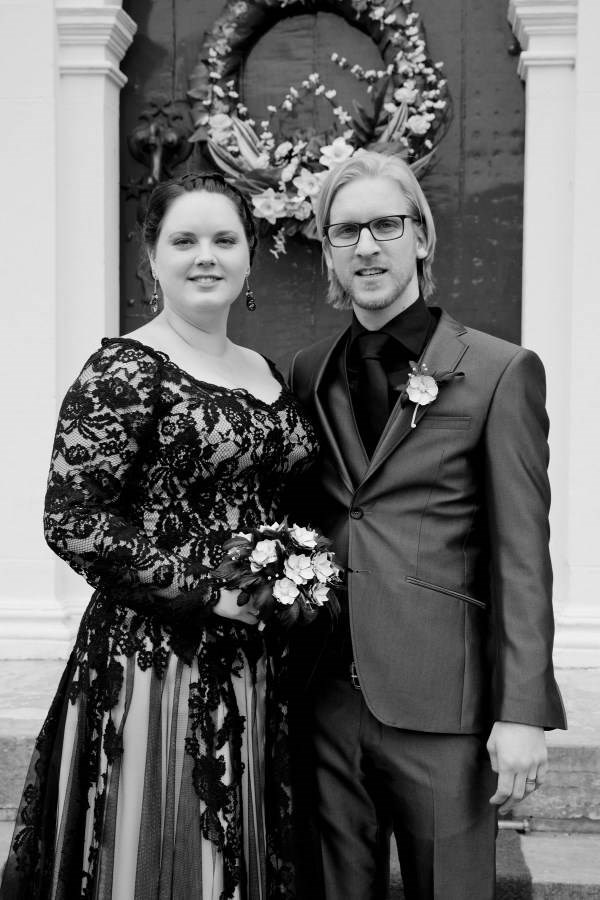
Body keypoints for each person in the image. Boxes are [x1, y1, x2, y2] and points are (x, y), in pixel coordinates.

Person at [0, 172, 317, 900]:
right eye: (184, 240)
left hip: (257, 662)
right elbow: (73, 519)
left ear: (249, 256)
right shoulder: (126, 367)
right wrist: (208, 594)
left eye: (223, 239)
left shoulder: (265, 370)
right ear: (152, 258)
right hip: (155, 664)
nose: (205, 256)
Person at [288, 151, 567, 900]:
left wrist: (523, 712)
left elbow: (521, 557)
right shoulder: (306, 374)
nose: (367, 246)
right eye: (346, 231)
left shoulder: (500, 371)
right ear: (328, 252)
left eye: (386, 224)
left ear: (421, 237)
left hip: (444, 710)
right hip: (325, 704)